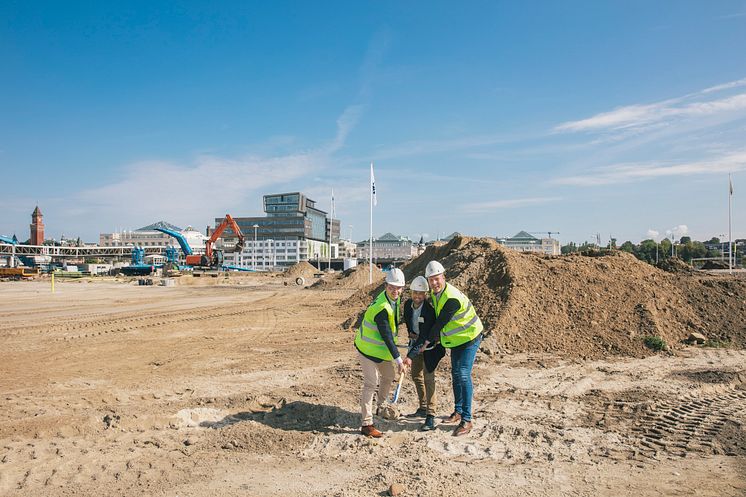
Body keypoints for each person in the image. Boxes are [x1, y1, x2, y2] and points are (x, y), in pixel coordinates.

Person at [424, 260, 483, 436]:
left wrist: (426, 342)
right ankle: (458, 411)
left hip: (470, 337)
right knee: (455, 373)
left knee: (463, 374)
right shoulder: (436, 294)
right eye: (431, 280)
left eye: (437, 278)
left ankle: (467, 419)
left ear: (444, 277)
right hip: (456, 340)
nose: (434, 283)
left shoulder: (451, 298)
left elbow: (440, 324)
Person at [354, 267, 407, 438]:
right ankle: (366, 424)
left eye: (398, 288)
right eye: (392, 287)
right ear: (386, 286)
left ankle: (381, 406)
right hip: (367, 349)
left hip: (379, 349)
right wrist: (399, 360)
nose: (395, 291)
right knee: (371, 383)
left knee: (389, 375)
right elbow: (387, 336)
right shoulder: (382, 307)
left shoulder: (394, 300)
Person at [402, 275, 445, 431]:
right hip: (415, 344)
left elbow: (425, 336)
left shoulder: (428, 310)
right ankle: (422, 407)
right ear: (411, 293)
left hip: (429, 347)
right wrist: (411, 334)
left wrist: (409, 357)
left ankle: (430, 416)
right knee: (415, 375)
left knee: (428, 378)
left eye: (421, 294)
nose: (417, 296)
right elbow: (408, 322)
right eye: (415, 293)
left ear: (425, 294)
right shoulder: (407, 305)